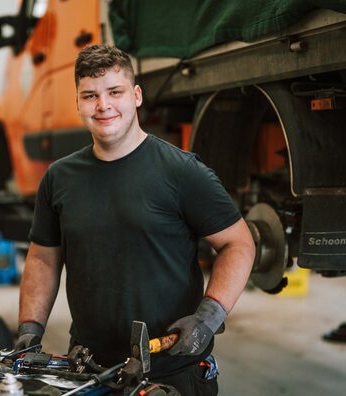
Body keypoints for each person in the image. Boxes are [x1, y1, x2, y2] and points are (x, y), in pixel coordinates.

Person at [15, 44, 255, 395]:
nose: (103, 105)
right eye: (90, 95)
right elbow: (42, 258)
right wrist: (29, 329)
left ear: (137, 96)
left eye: (115, 92)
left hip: (171, 370)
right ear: (78, 102)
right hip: (88, 370)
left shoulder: (182, 171)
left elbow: (238, 243)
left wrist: (209, 317)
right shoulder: (59, 177)